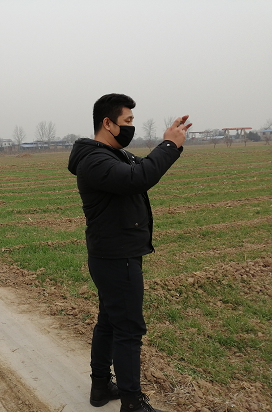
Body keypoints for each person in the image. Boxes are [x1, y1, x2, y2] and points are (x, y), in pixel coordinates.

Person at [67, 94, 191, 412]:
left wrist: (172, 143)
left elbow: (145, 168)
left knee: (110, 322)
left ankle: (100, 387)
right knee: (129, 329)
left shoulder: (113, 155)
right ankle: (133, 403)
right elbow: (139, 178)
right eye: (128, 121)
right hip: (116, 256)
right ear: (108, 123)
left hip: (114, 253)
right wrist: (169, 145)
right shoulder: (96, 160)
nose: (132, 127)